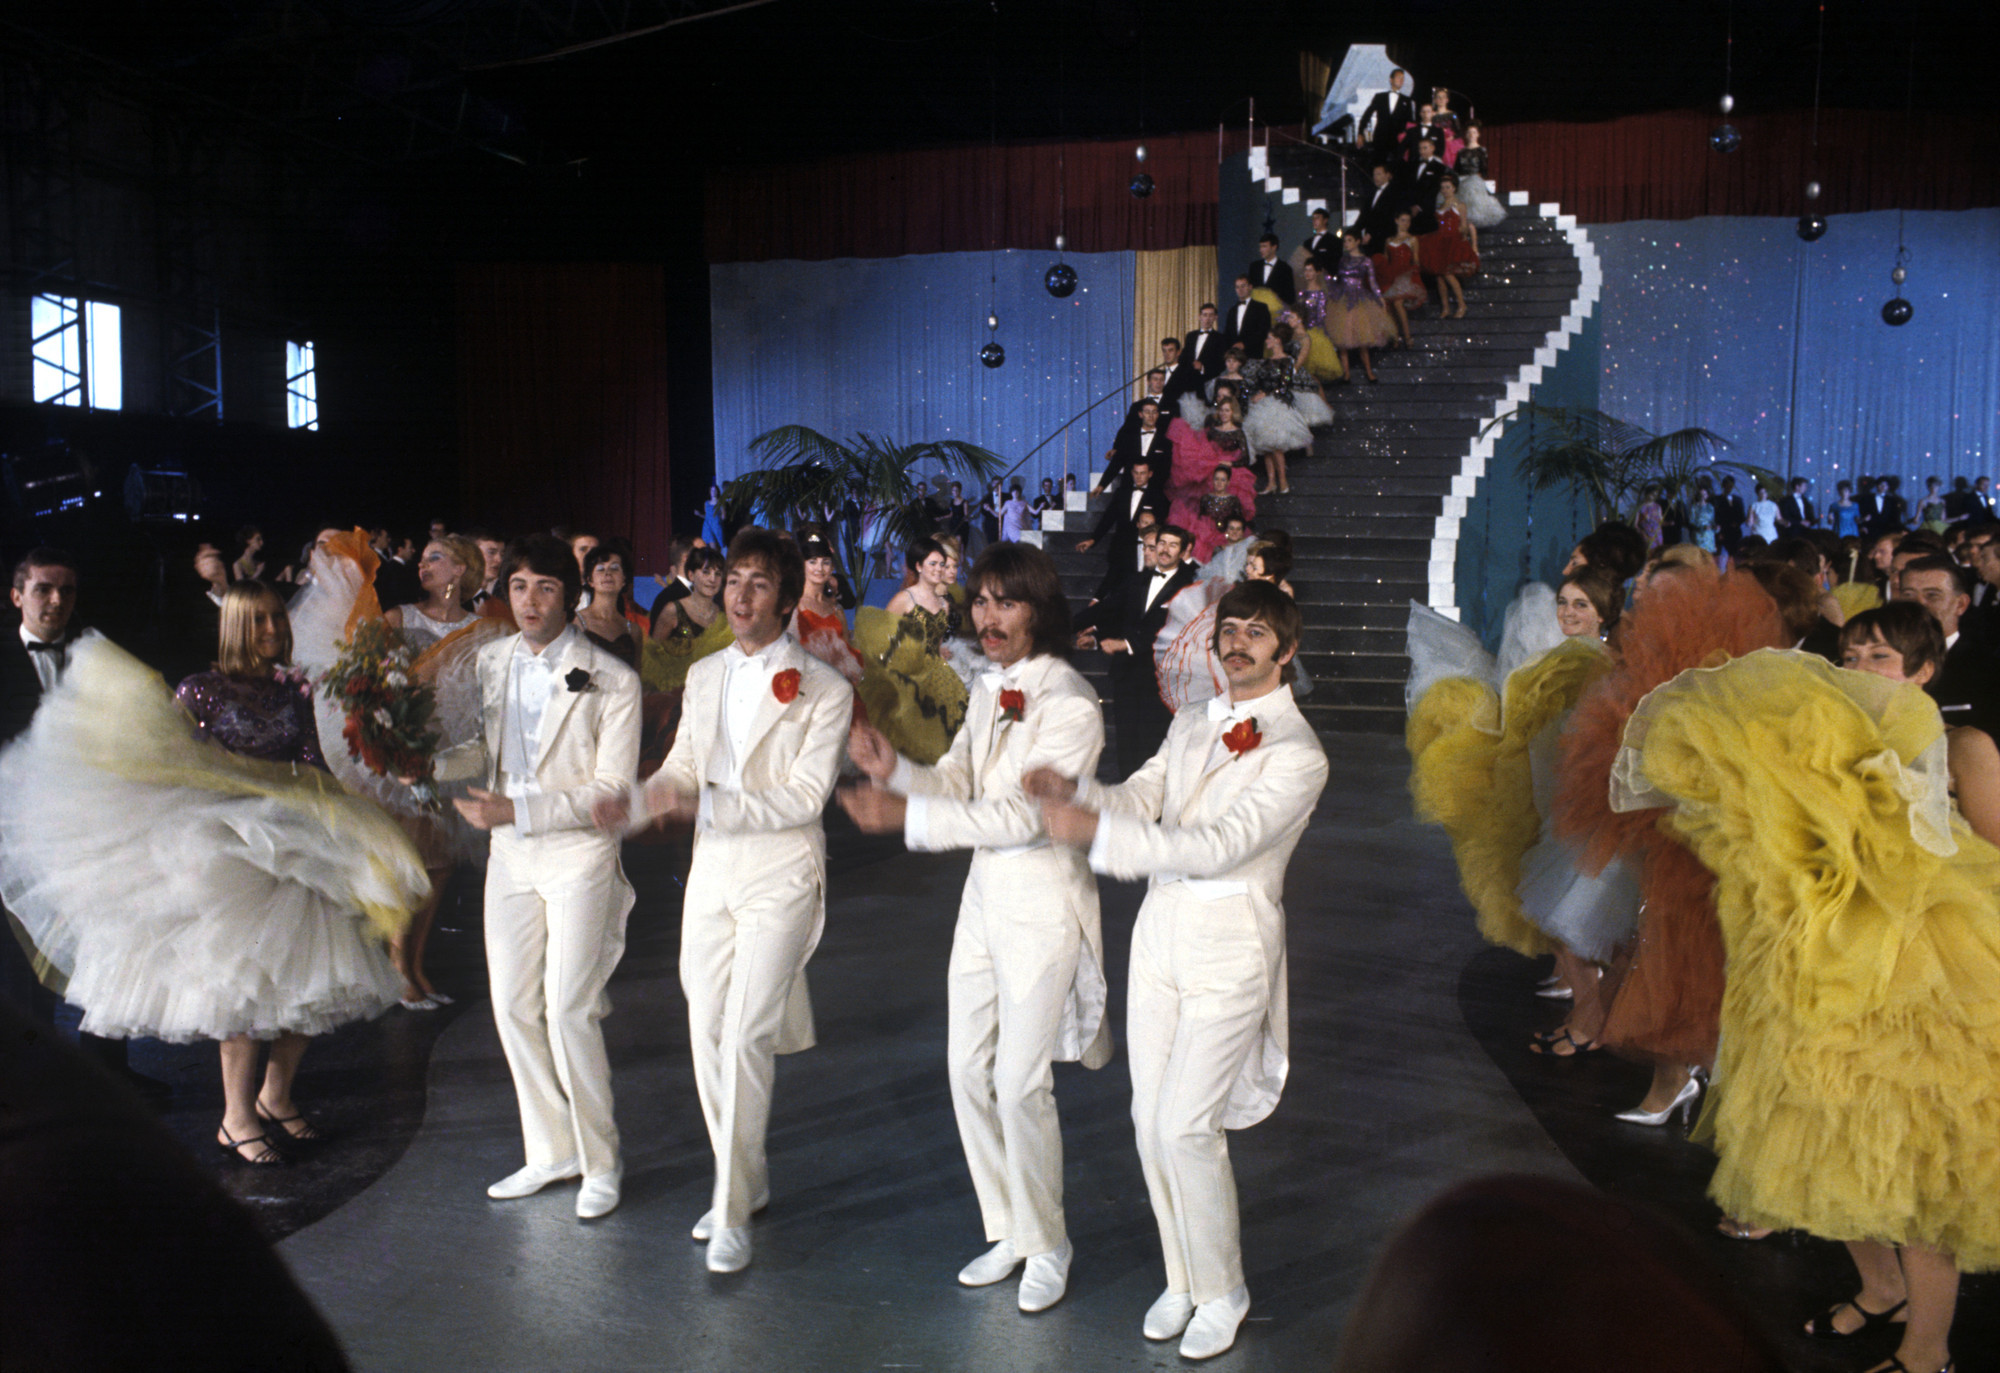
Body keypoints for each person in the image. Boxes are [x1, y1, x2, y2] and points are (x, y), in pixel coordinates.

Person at [0, 581, 427, 1166]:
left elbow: (310, 761)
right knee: (242, 990)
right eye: (260, 623)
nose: (275, 631)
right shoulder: (198, 690)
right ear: (235, 628)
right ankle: (235, 1116)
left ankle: (276, 1097)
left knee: (316, 984)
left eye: (278, 619)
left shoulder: (293, 689)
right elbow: (170, 762)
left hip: (293, 841)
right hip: (228, 851)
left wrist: (355, 813)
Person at [1030, 580, 1328, 1361]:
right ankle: (1184, 1277)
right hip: (1160, 932)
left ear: (1286, 650)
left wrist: (1097, 836)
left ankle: (1225, 1289)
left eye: (1256, 633)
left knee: (1186, 1125)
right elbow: (1146, 792)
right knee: (1144, 1120)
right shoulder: (1194, 721)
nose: (1238, 643)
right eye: (1230, 630)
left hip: (1232, 944)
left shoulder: (1300, 756)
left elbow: (1221, 845)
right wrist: (1083, 796)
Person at [841, 543, 1108, 1312]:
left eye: (1006, 603)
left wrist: (908, 816)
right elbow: (957, 778)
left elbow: (1025, 816)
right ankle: (1011, 1228)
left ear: (1039, 611)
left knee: (1021, 1082)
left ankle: (1050, 1240)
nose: (987, 618)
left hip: (1042, 898)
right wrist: (894, 769)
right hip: (983, 897)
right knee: (966, 1070)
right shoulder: (991, 690)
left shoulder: (1070, 703)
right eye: (982, 601)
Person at [598, 528, 849, 1273]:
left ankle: (732, 1204)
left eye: (757, 583)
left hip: (783, 871)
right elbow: (679, 767)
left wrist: (705, 804)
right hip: (712, 871)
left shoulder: (826, 687)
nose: (738, 596)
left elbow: (805, 797)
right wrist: (636, 803)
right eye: (732, 580)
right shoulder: (705, 675)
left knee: (744, 1034)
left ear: (784, 595)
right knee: (705, 1025)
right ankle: (746, 1175)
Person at [435, 535, 641, 1220]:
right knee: (514, 1005)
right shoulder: (489, 662)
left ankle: (602, 1158)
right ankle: (552, 1148)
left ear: (572, 592)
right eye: (518, 585)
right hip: (510, 852)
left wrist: (516, 807)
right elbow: (470, 750)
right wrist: (413, 760)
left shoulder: (613, 678)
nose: (528, 599)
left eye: (544, 586)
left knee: (569, 1007)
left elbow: (612, 788)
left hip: (579, 853)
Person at [380, 532, 491, 1009]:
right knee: (412, 862)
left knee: (442, 864)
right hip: (409, 750)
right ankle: (395, 967)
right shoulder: (399, 618)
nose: (423, 566)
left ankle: (416, 964)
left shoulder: (482, 626)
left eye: (435, 558)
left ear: (461, 568)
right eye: (422, 560)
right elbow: (373, 683)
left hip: (456, 755)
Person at [1075, 524, 1200, 778]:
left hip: (1160, 681)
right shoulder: (1137, 579)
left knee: (1152, 747)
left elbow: (1173, 630)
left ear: (1184, 550)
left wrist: (1127, 644)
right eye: (1161, 543)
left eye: (1172, 545)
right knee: (1125, 745)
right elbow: (1109, 611)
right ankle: (1127, 804)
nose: (1164, 550)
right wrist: (1091, 636)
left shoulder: (1190, 585)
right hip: (1126, 675)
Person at [853, 537, 969, 765]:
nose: (939, 569)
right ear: (919, 566)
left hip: (937, 676)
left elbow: (935, 645)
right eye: (933, 564)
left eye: (941, 564)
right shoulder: (905, 599)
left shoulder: (944, 603)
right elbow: (883, 638)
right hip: (905, 675)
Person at [1077, 456, 1170, 594]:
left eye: (1143, 473)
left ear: (1150, 474)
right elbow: (1108, 518)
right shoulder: (1122, 492)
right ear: (1131, 473)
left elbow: (1160, 526)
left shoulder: (1159, 497)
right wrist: (1093, 539)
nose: (1138, 477)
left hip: (1144, 551)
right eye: (1136, 473)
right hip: (1120, 549)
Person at [1326, 231, 1397, 384]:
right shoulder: (1343, 260)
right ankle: (1346, 374)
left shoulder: (1366, 261)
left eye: (1349, 240)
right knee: (1342, 340)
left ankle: (1369, 371)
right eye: (1345, 241)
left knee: (1362, 339)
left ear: (1357, 241)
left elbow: (1372, 282)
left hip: (1359, 298)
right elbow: (1338, 279)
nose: (1346, 243)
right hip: (1343, 298)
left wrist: (1379, 298)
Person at [1418, 176, 1479, 318]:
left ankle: (1462, 304)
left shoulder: (1459, 205)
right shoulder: (1440, 206)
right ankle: (1445, 308)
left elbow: (1464, 225)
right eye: (1443, 187)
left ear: (1454, 188)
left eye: (1448, 187)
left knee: (1447, 274)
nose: (1445, 190)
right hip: (1439, 242)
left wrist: (1465, 237)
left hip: (1452, 241)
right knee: (1439, 276)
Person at [576, 541, 642, 670]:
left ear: (624, 579)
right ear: (590, 580)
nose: (607, 573)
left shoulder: (633, 630)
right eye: (600, 569)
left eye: (615, 568)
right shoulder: (575, 622)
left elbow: (636, 680)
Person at [1371, 212, 1425, 347]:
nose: (1405, 224)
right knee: (1389, 305)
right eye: (1403, 220)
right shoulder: (1389, 240)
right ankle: (1396, 336)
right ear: (1396, 221)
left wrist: (1414, 269)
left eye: (1408, 221)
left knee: (1397, 303)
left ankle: (1407, 337)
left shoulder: (1412, 239)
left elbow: (1416, 258)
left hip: (1405, 274)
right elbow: (1386, 260)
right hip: (1392, 275)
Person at [1097, 398, 1171, 496]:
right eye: (1147, 412)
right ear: (1140, 414)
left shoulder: (1166, 441)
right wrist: (1102, 485)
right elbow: (1116, 463)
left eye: (1154, 412)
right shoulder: (1128, 438)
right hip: (1128, 489)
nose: (1150, 416)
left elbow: (1166, 470)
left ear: (1158, 415)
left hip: (1154, 492)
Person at [1452, 123, 1508, 229]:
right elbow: (1456, 169)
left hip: (1474, 179)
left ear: (1478, 134)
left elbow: (1483, 168)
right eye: (1469, 132)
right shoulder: (1461, 152)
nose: (1471, 134)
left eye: (1474, 132)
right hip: (1462, 179)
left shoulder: (1481, 150)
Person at [1359, 67, 1415, 162]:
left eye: (1403, 78)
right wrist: (1360, 133)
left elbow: (1409, 122)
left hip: (1398, 141)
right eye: (1398, 77)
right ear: (1391, 79)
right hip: (1380, 139)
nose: (1401, 80)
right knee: (1378, 165)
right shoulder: (1380, 97)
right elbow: (1367, 114)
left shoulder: (1407, 101)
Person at [1218, 275, 1272, 361]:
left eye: (1243, 286)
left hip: (1253, 356)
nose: (1240, 289)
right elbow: (1227, 333)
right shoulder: (1232, 310)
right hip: (1234, 359)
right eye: (1237, 287)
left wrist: (1245, 344)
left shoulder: (1261, 308)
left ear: (1250, 287)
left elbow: (1264, 331)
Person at [1183, 302, 1226, 384]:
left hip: (1208, 380)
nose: (1207, 318)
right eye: (1205, 315)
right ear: (1200, 317)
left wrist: (1202, 368)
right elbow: (1185, 357)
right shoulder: (1190, 336)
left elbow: (1221, 363)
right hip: (1188, 380)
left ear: (1215, 317)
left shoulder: (1221, 338)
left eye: (1211, 315)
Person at [1246, 234, 1294, 305]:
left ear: (1274, 247)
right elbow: (1249, 290)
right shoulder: (1254, 267)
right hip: (1257, 311)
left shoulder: (1285, 268)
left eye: (1264, 246)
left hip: (1276, 312)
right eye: (1260, 246)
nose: (1260, 250)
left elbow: (1290, 297)